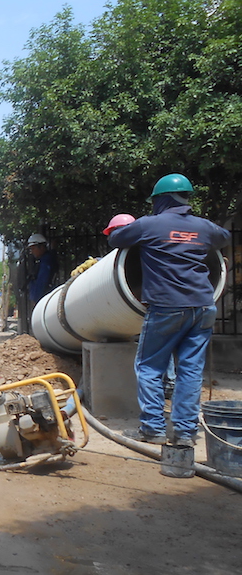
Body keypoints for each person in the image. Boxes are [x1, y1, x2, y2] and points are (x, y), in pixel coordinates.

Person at [108, 173, 230, 446]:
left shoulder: (149, 225)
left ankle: (153, 428)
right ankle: (186, 432)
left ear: (161, 199)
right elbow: (224, 237)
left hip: (167, 307)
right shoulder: (205, 227)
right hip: (203, 306)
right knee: (190, 371)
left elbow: (115, 240)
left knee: (150, 367)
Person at [25, 234, 58, 305]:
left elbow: (42, 281)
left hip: (43, 300)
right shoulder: (45, 259)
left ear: (41, 247)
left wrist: (35, 298)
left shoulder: (46, 261)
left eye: (33, 248)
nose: (32, 251)